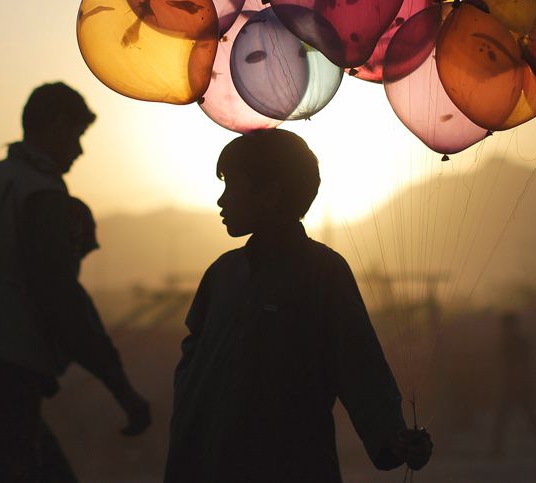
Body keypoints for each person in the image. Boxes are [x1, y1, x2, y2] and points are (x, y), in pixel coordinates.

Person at [0, 82, 151, 482]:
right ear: (55, 125)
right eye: (76, 135)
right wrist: (122, 390)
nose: (79, 150)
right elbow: (61, 296)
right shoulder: (42, 193)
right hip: (5, 374)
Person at [163, 128, 433, 483]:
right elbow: (192, 362)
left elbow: (358, 364)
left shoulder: (323, 272)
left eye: (233, 186)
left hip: (292, 464)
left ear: (271, 194)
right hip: (206, 463)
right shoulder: (222, 274)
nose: (221, 201)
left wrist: (392, 437)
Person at [489, 311, 536, 459]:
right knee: (522, 419)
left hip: (517, 386)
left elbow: (519, 366)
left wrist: (517, 383)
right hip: (516, 385)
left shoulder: (515, 343)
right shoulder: (515, 342)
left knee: (510, 420)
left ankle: (495, 451)